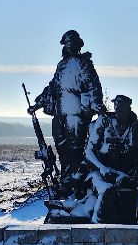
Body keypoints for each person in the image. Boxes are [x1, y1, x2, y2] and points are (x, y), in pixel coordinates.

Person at [29, 29, 104, 180]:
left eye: (72, 42)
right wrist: (38, 104)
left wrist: (96, 106)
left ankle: (75, 182)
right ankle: (66, 180)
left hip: (76, 114)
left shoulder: (84, 64)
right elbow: (53, 86)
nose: (69, 45)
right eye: (67, 43)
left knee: (75, 150)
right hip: (60, 113)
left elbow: (93, 86)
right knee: (62, 149)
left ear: (78, 44)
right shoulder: (61, 65)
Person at [86, 94, 138, 225]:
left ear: (129, 109)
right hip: (106, 173)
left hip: (130, 173)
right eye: (116, 106)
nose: (119, 110)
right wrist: (102, 168)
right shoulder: (103, 123)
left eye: (122, 107)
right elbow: (88, 152)